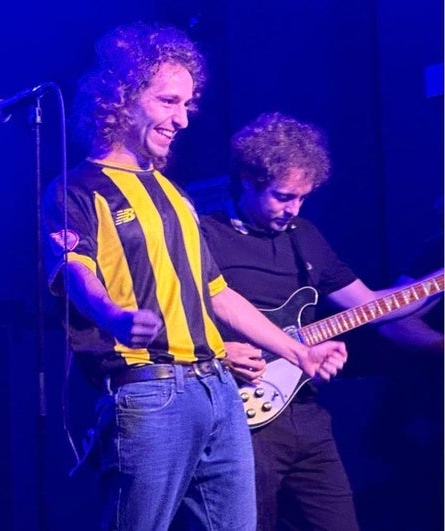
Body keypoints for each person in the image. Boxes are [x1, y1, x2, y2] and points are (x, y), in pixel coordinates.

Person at [42, 25, 347, 531]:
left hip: (217, 391)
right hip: (150, 391)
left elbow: (216, 293)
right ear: (122, 97)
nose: (181, 119)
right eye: (169, 101)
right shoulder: (76, 189)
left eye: (187, 105)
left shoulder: (175, 194)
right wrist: (113, 315)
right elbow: (77, 271)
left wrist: (299, 352)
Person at [199, 112, 443, 531]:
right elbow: (176, 317)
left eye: (301, 198)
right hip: (239, 419)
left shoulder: (304, 235)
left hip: (305, 412)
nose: (292, 209)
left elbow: (371, 306)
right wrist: (220, 351)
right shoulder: (205, 233)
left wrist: (437, 283)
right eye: (282, 197)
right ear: (246, 179)